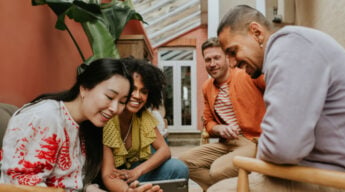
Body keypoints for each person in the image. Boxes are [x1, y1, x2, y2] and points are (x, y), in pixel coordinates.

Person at [209, 4, 345, 191]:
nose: (233, 63)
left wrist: (267, 149)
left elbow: (282, 148)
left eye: (233, 51)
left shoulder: (290, 46)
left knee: (220, 190)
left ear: (256, 32)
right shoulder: (291, 49)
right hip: (337, 170)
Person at [0, 58, 161, 192]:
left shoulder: (87, 125)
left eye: (122, 102)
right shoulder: (44, 116)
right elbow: (22, 186)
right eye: (109, 96)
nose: (115, 109)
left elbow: (77, 184)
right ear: (84, 87)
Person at [178, 37, 265, 190]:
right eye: (208, 59)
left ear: (227, 58)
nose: (212, 64)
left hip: (253, 140)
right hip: (226, 142)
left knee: (218, 171)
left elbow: (276, 87)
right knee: (183, 163)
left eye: (217, 58)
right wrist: (218, 128)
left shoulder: (246, 74)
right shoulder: (207, 87)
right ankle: (227, 189)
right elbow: (208, 121)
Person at [100, 58, 189, 191]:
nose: (137, 96)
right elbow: (107, 175)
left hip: (134, 175)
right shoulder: (109, 117)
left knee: (178, 168)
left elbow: (164, 151)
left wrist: (137, 171)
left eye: (144, 91)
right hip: (112, 181)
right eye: (133, 89)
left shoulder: (142, 116)